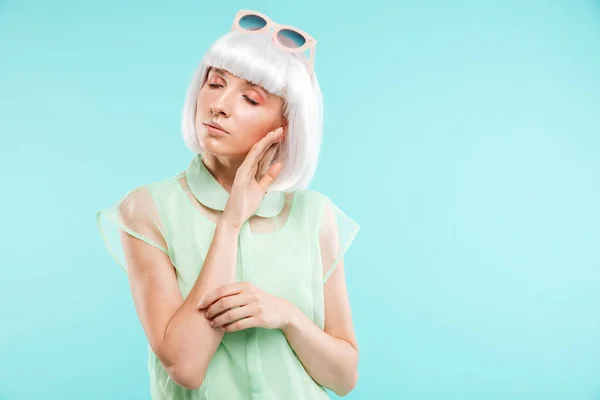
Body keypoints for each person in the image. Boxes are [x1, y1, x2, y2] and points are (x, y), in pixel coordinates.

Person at [96, 9, 361, 400]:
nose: (219, 105)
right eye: (215, 84)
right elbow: (184, 366)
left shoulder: (314, 215)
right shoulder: (147, 209)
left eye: (250, 99)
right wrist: (231, 221)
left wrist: (287, 317)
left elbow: (343, 378)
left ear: (284, 125)